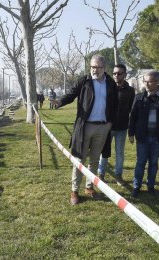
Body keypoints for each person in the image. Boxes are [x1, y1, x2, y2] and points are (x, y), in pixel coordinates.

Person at [52, 54, 118, 205]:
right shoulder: (84, 81)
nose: (94, 70)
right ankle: (74, 190)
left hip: (103, 127)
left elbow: (115, 104)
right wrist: (60, 101)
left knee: (95, 159)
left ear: (104, 68)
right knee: (79, 159)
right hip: (85, 126)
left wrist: (110, 123)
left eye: (98, 67)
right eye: (92, 67)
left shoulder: (110, 83)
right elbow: (71, 94)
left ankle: (89, 187)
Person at [128, 70, 159, 197]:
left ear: (157, 81)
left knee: (154, 163)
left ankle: (151, 186)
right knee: (140, 162)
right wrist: (131, 133)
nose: (146, 84)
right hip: (142, 137)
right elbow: (132, 117)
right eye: (145, 81)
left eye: (149, 81)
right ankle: (136, 186)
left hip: (158, 137)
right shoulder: (139, 97)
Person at [98, 64, 135, 184]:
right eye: (114, 73)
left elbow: (132, 109)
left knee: (120, 153)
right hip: (107, 127)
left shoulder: (130, 91)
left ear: (125, 75)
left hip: (122, 128)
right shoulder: (107, 87)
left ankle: (118, 176)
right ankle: (101, 174)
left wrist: (131, 128)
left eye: (119, 73)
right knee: (104, 152)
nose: (116, 75)